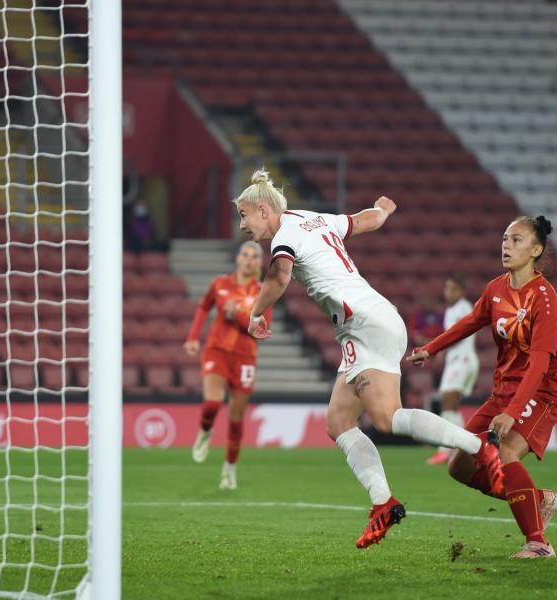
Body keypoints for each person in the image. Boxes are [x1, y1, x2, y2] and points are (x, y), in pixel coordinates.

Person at [238, 169, 503, 549]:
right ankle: (383, 502)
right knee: (339, 421)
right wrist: (383, 211)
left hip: (363, 323)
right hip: (367, 322)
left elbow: (280, 276)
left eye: (244, 215)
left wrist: (257, 312)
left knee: (386, 417)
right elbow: (364, 221)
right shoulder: (314, 219)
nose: (243, 225)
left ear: (263, 209)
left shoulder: (286, 234)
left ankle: (481, 447)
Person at [408, 216, 557, 559]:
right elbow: (469, 323)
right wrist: (430, 349)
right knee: (459, 466)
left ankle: (538, 543)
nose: (507, 245)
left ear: (536, 249)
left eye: (517, 240)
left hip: (540, 393)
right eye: (505, 238)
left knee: (506, 451)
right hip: (503, 394)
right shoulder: (496, 289)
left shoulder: (544, 298)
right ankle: (537, 500)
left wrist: (511, 413)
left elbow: (539, 365)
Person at [185, 241, 269, 490]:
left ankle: (229, 468)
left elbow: (261, 330)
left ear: (259, 262)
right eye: (245, 254)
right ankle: (205, 430)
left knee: (235, 417)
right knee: (212, 403)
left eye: (255, 256)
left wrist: (239, 315)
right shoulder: (220, 284)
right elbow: (204, 307)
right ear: (237, 258)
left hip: (245, 357)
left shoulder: (264, 292)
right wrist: (192, 337)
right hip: (217, 351)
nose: (249, 259)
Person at [426, 275, 480, 465]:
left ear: (461, 291)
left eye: (452, 289)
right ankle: (464, 448)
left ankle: (448, 449)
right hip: (458, 360)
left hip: (461, 360)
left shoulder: (462, 307)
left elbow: (457, 334)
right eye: (447, 288)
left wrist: (439, 349)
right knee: (451, 405)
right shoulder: (453, 309)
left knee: (448, 404)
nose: (448, 292)